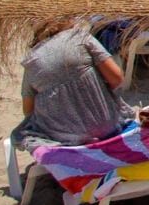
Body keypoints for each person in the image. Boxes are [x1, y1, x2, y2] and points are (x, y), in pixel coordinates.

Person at [10, 18, 136, 152]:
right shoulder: (80, 38)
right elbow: (116, 78)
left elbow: (28, 111)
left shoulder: (31, 61)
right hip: (107, 126)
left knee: (20, 134)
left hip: (64, 141)